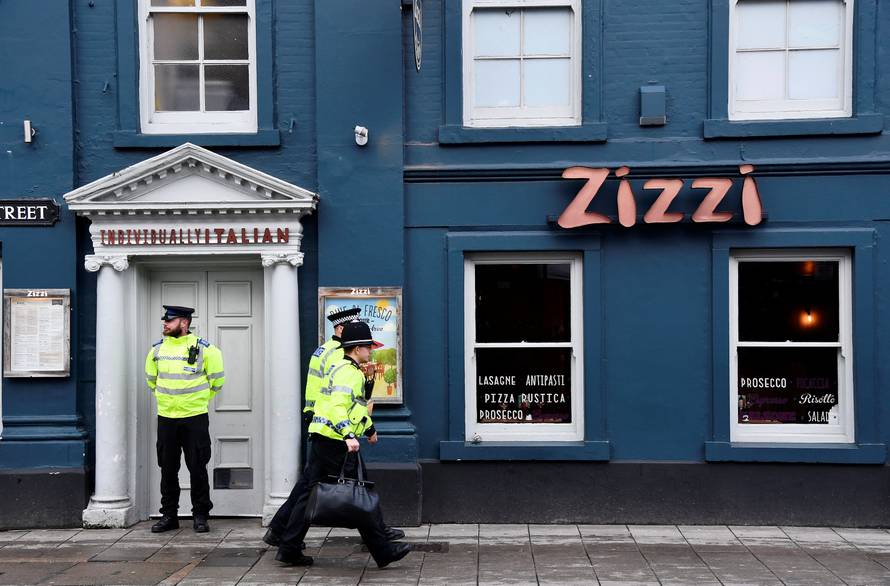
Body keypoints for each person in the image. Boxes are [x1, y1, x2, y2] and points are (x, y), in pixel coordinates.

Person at [274, 320, 411, 568]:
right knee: (361, 494)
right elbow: (338, 406)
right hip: (335, 441)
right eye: (369, 347)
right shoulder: (349, 373)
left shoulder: (340, 366)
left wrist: (368, 428)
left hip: (322, 437)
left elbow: (351, 406)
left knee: (308, 494)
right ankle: (383, 550)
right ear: (357, 348)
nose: (371, 351)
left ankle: (288, 546)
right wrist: (349, 435)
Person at [145, 305, 225, 533]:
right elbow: (151, 380)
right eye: (165, 321)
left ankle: (200, 515)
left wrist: (198, 401)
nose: (165, 324)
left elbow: (217, 382)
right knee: (167, 469)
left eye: (170, 321)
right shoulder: (157, 350)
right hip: (167, 418)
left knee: (197, 467)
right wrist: (169, 400)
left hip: (195, 418)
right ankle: (169, 515)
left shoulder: (206, 350)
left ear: (184, 323)